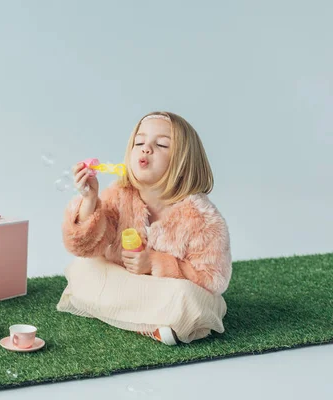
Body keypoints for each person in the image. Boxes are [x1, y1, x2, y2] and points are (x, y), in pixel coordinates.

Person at [59, 111, 232, 345]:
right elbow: (87, 245)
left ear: (184, 163)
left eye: (161, 144)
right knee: (84, 268)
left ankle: (131, 317)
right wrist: (90, 199)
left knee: (188, 299)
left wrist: (156, 263)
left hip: (166, 292)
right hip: (125, 284)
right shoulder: (119, 194)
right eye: (139, 142)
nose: (146, 148)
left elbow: (214, 278)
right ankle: (152, 326)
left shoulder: (203, 218)